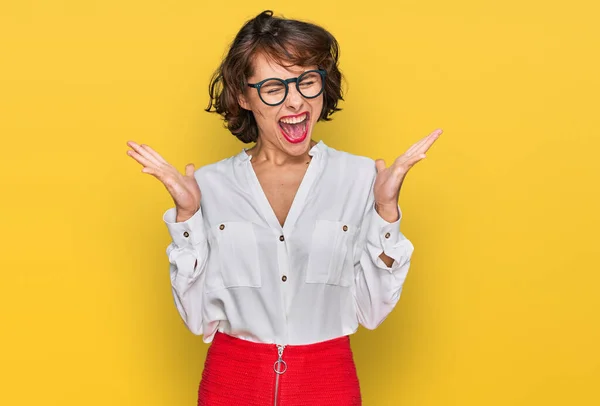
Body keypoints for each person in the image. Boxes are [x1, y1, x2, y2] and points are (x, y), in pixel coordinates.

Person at [126, 9, 442, 406]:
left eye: (307, 81)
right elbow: (195, 318)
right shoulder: (208, 186)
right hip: (230, 382)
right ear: (243, 96)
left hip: (329, 382)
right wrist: (187, 217)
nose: (296, 100)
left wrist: (386, 212)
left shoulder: (362, 179)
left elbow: (372, 310)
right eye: (274, 87)